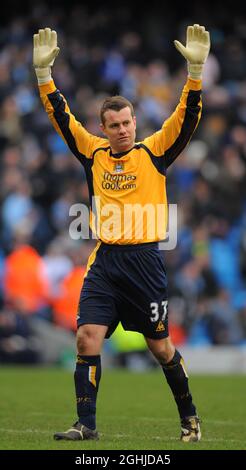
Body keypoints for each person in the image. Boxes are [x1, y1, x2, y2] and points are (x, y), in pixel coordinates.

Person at [33, 24, 210, 442]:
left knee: (160, 349)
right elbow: (63, 118)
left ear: (135, 121)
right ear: (105, 128)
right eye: (114, 125)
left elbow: (186, 118)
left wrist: (195, 73)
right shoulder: (91, 152)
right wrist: (45, 79)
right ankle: (86, 426)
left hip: (145, 262)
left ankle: (189, 418)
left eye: (127, 122)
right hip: (106, 260)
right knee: (86, 337)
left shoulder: (154, 152)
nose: (123, 130)